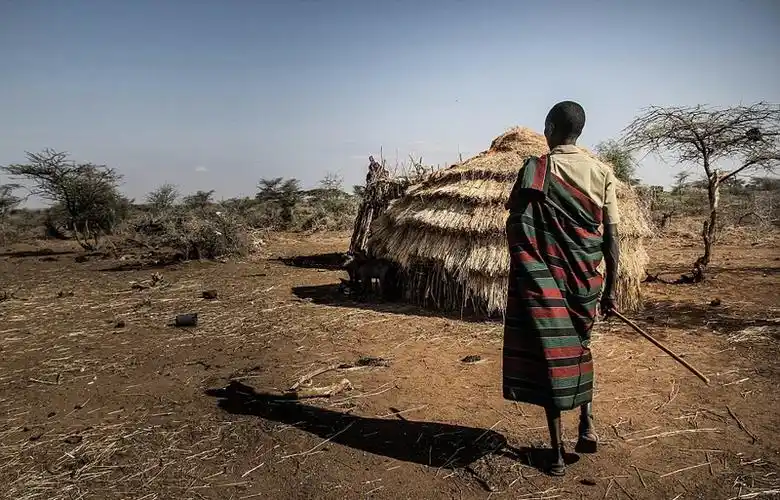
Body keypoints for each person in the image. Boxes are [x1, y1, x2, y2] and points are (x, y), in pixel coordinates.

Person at [502, 101, 620, 476]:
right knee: (581, 348)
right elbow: (611, 242)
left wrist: (532, 269)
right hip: (586, 282)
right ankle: (587, 425)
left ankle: (555, 455)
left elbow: (518, 223)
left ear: (551, 127)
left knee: (551, 357)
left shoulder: (536, 169)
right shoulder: (602, 172)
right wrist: (611, 290)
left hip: (546, 282)